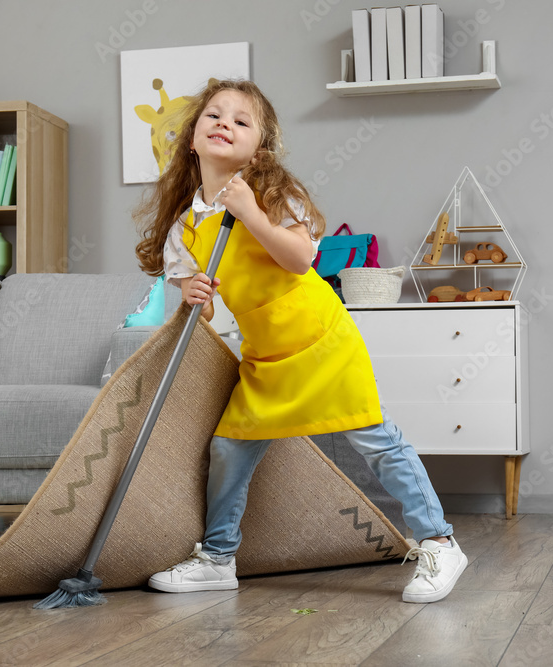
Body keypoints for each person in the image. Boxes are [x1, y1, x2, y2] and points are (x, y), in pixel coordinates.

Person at [134, 78, 467, 603]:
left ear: (259, 147)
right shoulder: (187, 224)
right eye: (213, 117)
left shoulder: (271, 196)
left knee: (377, 442)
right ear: (191, 139)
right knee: (228, 449)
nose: (225, 124)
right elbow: (196, 299)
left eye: (241, 121)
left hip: (321, 340)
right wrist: (191, 291)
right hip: (265, 356)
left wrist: (249, 213)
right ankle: (219, 558)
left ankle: (439, 542)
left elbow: (299, 258)